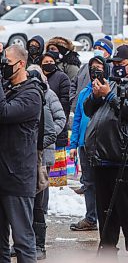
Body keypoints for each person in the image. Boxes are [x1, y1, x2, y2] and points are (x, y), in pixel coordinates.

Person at [84, 45, 128, 257]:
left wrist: (110, 97)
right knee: (106, 219)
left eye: (120, 64)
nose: (116, 68)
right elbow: (88, 110)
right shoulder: (111, 82)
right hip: (102, 159)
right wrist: (97, 96)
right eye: (113, 64)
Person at [0, 44, 43, 262]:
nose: (3, 67)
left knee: (23, 241)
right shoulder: (7, 87)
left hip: (18, 177)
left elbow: (4, 113)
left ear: (21, 64)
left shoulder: (32, 93)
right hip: (2, 175)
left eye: (6, 63)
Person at [27, 66, 66, 259]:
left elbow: (60, 119)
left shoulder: (49, 95)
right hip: (27, 157)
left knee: (39, 203)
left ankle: (39, 245)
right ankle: (26, 243)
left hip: (44, 156)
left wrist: (42, 140)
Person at [69, 56, 110, 232]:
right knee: (88, 183)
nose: (95, 71)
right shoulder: (84, 93)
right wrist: (73, 145)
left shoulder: (110, 92)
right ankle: (91, 217)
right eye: (92, 68)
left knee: (104, 182)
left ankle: (107, 217)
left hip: (103, 146)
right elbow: (77, 119)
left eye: (99, 67)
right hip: (84, 145)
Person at [40, 52, 71, 186]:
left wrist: (53, 130)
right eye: (45, 62)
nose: (48, 64)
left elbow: (64, 106)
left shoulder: (61, 78)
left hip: (56, 126)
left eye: (51, 61)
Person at [70, 37, 114, 110]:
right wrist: (74, 100)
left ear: (108, 53)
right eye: (95, 48)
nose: (97, 50)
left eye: (100, 49)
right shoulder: (85, 67)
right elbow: (74, 83)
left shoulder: (112, 69)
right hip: (79, 108)